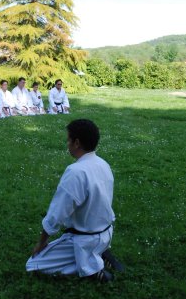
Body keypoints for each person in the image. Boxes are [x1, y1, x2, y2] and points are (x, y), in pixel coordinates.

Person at [26, 119, 123, 282]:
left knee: (33, 264)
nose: (67, 143)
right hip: (106, 233)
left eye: (68, 139)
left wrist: (42, 242)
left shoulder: (76, 172)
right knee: (79, 249)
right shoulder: (103, 164)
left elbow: (56, 214)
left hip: (86, 239)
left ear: (76, 143)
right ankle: (98, 253)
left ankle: (93, 267)